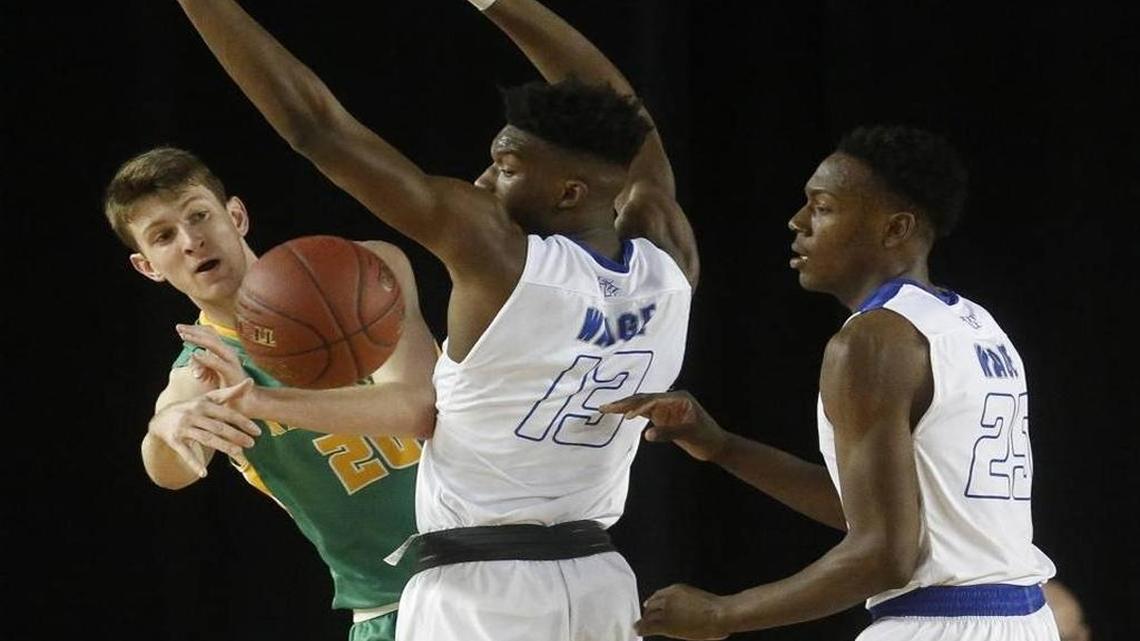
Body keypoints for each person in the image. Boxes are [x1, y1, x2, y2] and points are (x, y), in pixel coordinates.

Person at [170, 0, 698, 638]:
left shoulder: (500, 257)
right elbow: (628, 125)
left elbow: (316, 128)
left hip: (480, 594)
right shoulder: (668, 257)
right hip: (598, 585)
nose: (483, 181)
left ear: (569, 192)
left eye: (507, 169)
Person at [601, 125, 1059, 640]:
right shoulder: (975, 324)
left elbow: (885, 556)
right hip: (1025, 621)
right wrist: (722, 447)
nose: (797, 221)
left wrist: (722, 614)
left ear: (895, 228)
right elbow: (879, 512)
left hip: (937, 624)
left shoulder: (873, 340)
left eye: (822, 207)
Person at [103, 146, 439, 641]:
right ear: (147, 266)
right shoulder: (203, 372)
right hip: (394, 604)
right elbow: (169, 471)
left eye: (199, 216)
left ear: (236, 216)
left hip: (503, 550)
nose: (192, 241)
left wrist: (262, 402)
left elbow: (418, 408)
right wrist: (166, 428)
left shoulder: (362, 272)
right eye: (164, 236)